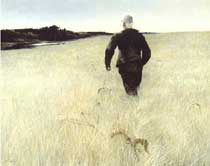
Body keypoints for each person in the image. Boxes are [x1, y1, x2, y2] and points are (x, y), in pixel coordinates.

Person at [105, 15, 151, 96]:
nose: (123, 24)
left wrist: (107, 63)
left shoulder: (118, 36)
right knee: (135, 89)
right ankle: (136, 106)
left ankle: (134, 106)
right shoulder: (140, 36)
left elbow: (109, 49)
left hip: (124, 66)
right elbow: (147, 52)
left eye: (124, 23)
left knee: (130, 92)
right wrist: (141, 63)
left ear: (127, 24)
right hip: (137, 67)